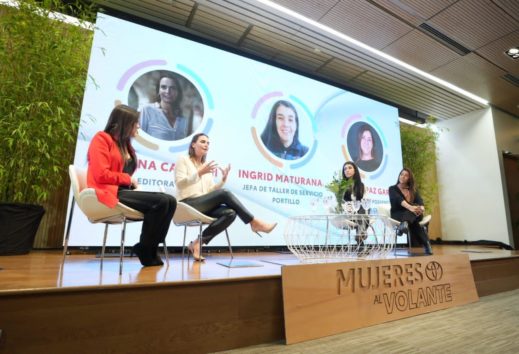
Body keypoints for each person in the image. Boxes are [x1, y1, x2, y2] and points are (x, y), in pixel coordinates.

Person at [87, 104, 177, 267]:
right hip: (109, 191)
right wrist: (128, 180)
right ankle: (145, 248)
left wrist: (129, 182)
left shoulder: (126, 144)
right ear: (124, 123)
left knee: (170, 200)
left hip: (123, 191)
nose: (139, 126)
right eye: (135, 123)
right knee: (161, 202)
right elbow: (101, 174)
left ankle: (149, 247)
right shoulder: (102, 139)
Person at [174, 133, 277, 261]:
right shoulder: (183, 160)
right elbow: (180, 183)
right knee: (224, 193)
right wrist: (199, 173)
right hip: (187, 204)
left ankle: (197, 243)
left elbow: (209, 191)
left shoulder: (205, 167)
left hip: (201, 205)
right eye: (202, 141)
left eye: (208, 143)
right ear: (193, 144)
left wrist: (222, 180)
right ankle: (254, 222)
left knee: (231, 213)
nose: (206, 144)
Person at [388, 168, 433, 255]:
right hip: (398, 214)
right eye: (401, 174)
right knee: (414, 222)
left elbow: (420, 203)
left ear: (409, 178)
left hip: (414, 214)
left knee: (415, 208)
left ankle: (404, 224)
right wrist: (411, 207)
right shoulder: (392, 189)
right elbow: (399, 200)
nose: (403, 176)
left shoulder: (413, 190)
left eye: (406, 175)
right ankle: (427, 245)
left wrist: (420, 209)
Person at [140, 75, 189, 140]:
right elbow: (139, 138)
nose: (168, 91)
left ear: (178, 92)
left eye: (172, 88)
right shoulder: (147, 110)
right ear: (158, 91)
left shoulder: (183, 119)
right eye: (163, 87)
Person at [342, 161, 367, 243]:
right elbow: (339, 202)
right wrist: (346, 207)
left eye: (350, 168)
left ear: (355, 170)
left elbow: (365, 201)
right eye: (345, 169)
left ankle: (360, 236)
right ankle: (361, 233)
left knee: (362, 209)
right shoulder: (341, 186)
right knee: (362, 216)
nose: (347, 170)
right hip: (347, 213)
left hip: (360, 213)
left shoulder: (362, 186)